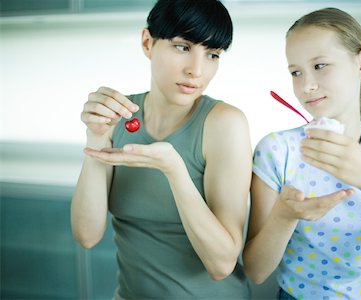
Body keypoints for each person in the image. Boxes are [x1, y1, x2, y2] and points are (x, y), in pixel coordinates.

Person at [70, 0, 252, 299]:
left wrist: (174, 169)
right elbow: (86, 236)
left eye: (212, 54)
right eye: (183, 47)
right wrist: (96, 138)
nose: (197, 70)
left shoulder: (224, 124)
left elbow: (221, 264)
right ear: (147, 42)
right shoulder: (118, 114)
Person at [243, 7, 361, 300]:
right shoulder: (277, 152)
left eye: (320, 66)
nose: (306, 85)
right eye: (296, 72)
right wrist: (284, 215)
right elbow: (255, 271)